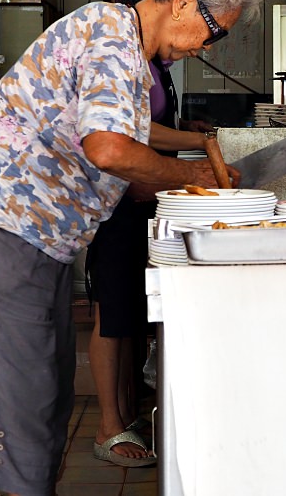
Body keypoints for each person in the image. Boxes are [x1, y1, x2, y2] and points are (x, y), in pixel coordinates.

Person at [0, 0, 264, 496]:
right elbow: (108, 147)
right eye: (215, 30)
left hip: (39, 227)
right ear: (183, 2)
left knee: (50, 383)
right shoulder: (111, 34)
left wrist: (199, 144)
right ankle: (18, 485)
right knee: (24, 388)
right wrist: (198, 178)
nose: (208, 45)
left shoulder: (128, 46)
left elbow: (126, 128)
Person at [87, 53, 213, 468]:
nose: (198, 47)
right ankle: (108, 427)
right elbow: (124, 136)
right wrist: (193, 151)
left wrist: (188, 137)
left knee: (131, 316)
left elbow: (145, 130)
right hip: (117, 198)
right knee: (113, 313)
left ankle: (123, 415)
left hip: (138, 198)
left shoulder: (158, 66)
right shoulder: (123, 60)